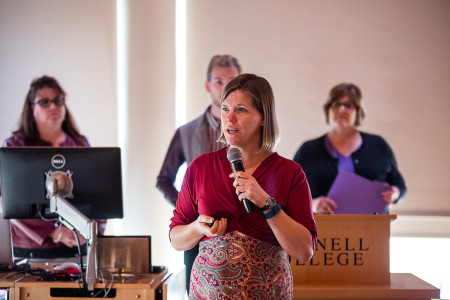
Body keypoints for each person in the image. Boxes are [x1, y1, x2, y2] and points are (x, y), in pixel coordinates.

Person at [169, 73, 317, 299]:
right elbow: (176, 238)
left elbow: (304, 251)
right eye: (225, 109)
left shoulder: (290, 173)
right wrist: (197, 228)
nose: (229, 118)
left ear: (264, 118)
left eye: (241, 110)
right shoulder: (200, 168)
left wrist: (267, 204)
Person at [156, 54, 241, 292]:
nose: (225, 86)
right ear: (207, 85)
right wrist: (188, 206)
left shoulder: (250, 129)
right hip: (198, 233)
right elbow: (163, 179)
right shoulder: (186, 132)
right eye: (218, 81)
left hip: (243, 229)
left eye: (232, 80)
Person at [1, 75, 105, 259]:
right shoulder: (14, 147)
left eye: (58, 100)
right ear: (31, 109)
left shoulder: (80, 145)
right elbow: (8, 201)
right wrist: (54, 232)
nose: (53, 107)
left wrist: (89, 230)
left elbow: (98, 194)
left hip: (77, 250)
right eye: (45, 102)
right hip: (29, 253)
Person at [293, 83, 406, 214]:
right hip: (323, 231)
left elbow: (400, 186)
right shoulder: (307, 150)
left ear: (358, 112)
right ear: (328, 110)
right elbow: (288, 195)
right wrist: (312, 204)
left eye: (348, 105)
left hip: (372, 230)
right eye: (335, 104)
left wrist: (394, 194)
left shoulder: (378, 145)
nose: (341, 110)